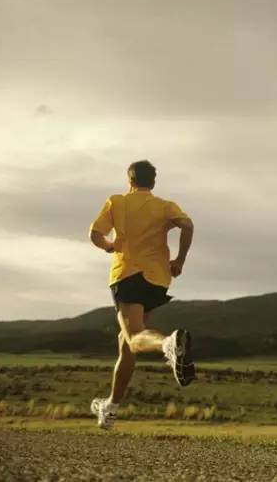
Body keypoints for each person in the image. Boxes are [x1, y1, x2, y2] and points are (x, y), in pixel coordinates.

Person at [87, 159, 196, 430]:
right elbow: (188, 226)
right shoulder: (165, 206)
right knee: (126, 342)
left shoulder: (117, 202)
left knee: (135, 338)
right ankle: (110, 408)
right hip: (158, 280)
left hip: (128, 275)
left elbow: (95, 233)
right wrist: (180, 260)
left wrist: (110, 246)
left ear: (130, 180)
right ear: (153, 182)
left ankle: (167, 345)